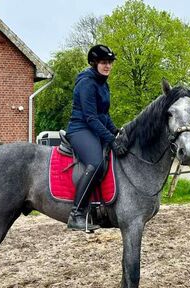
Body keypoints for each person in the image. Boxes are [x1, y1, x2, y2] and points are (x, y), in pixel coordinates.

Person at [66, 44, 128, 231]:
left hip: (93, 128)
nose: (107, 65)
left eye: (109, 62)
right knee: (96, 163)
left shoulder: (103, 82)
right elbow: (91, 117)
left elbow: (104, 115)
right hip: (80, 129)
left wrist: (115, 131)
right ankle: (76, 214)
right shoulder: (87, 83)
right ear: (94, 63)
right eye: (103, 62)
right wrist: (110, 139)